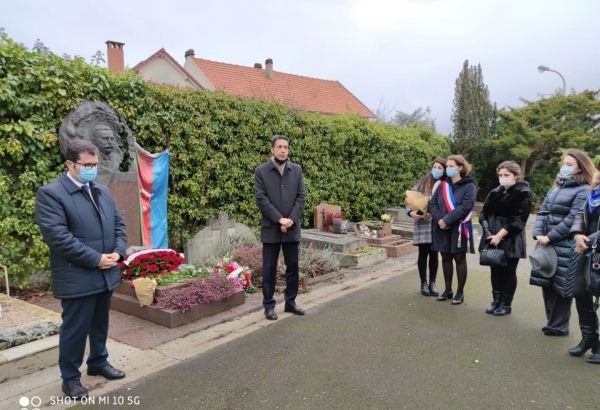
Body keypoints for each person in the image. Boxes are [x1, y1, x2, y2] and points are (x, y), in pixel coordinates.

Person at [35, 139, 127, 399]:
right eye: (86, 165)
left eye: (95, 164)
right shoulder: (51, 194)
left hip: (105, 272)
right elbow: (58, 238)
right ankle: (71, 378)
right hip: (78, 276)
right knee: (75, 329)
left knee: (100, 324)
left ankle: (98, 362)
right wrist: (96, 258)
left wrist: (118, 252)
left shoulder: (101, 190)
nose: (92, 169)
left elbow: (119, 222)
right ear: (70, 164)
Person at [531, 149, 595, 336]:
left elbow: (573, 219)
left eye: (569, 165)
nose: (564, 167)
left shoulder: (584, 190)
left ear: (580, 167)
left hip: (566, 244)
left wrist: (550, 236)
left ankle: (559, 326)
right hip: (546, 243)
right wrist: (538, 233)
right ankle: (552, 321)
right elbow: (543, 211)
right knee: (546, 281)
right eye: (564, 164)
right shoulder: (556, 186)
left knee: (562, 286)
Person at [254, 135, 307, 321]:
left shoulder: (296, 170)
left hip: (292, 228)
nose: (283, 150)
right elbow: (261, 199)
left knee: (292, 267)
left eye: (285, 146)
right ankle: (268, 305)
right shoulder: (261, 171)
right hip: (271, 228)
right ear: (272, 150)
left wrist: (290, 220)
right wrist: (279, 220)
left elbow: (301, 197)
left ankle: (290, 302)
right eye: (279, 147)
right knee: (269, 269)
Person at [479, 161, 532, 316]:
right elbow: (483, 213)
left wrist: (500, 234)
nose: (503, 178)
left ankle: (505, 303)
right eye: (501, 175)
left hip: (511, 238)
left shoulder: (523, 192)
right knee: (494, 269)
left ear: (516, 176)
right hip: (492, 235)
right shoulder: (495, 192)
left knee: (508, 271)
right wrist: (489, 232)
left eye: (506, 175)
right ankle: (496, 300)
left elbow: (519, 219)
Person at [429, 155, 476, 305]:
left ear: (460, 168)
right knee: (446, 258)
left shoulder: (469, 186)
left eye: (450, 166)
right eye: (447, 166)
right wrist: (440, 220)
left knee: (459, 259)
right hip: (442, 227)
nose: (447, 169)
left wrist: (447, 220)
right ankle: (448, 290)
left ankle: (460, 292)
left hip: (459, 228)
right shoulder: (443, 184)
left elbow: (465, 207)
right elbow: (433, 204)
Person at [570, 170, 600, 363]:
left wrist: (588, 240)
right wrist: (578, 234)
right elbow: (581, 215)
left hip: (591, 245)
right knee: (579, 290)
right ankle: (589, 338)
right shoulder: (595, 192)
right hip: (588, 249)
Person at [406, 158, 446, 296]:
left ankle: (432, 283)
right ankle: (423, 283)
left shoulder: (445, 184)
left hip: (437, 223)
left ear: (445, 170)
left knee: (434, 254)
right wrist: (410, 212)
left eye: (440, 167)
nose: (436, 169)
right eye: (434, 166)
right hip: (422, 223)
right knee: (423, 254)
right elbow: (409, 200)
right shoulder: (422, 183)